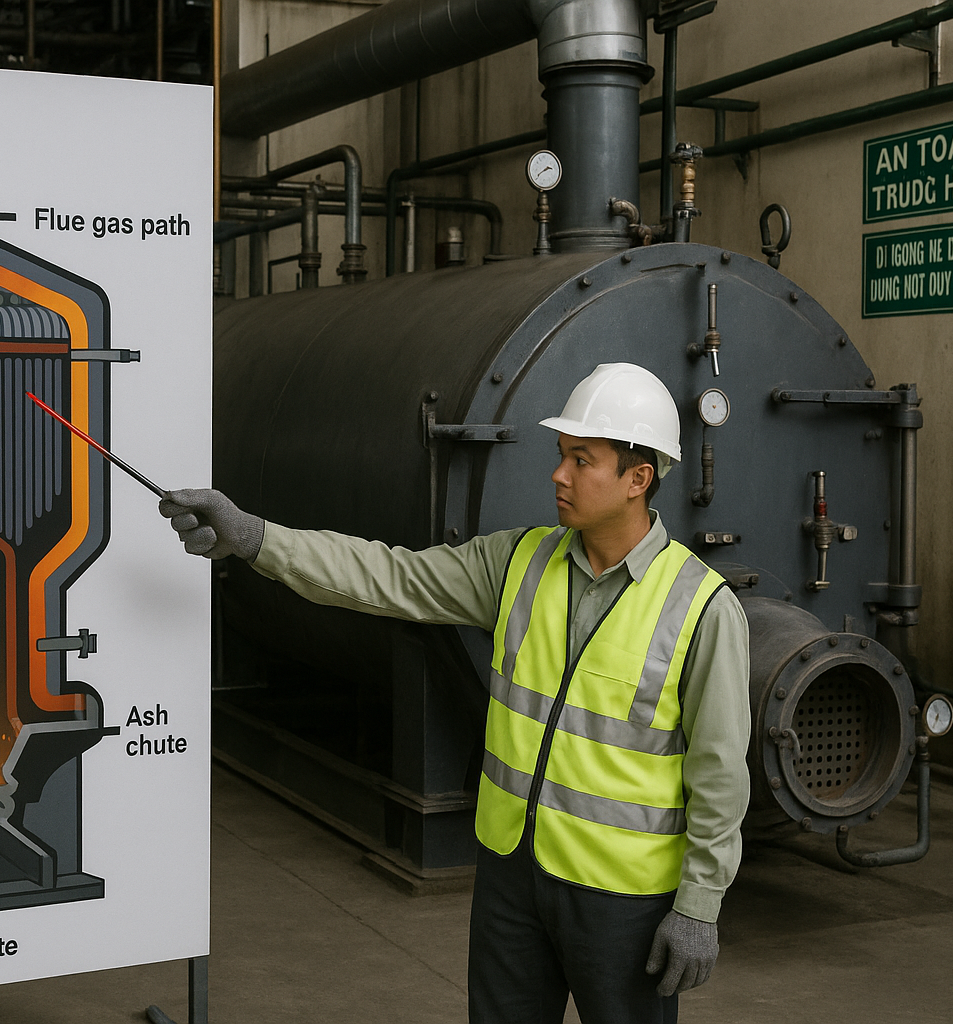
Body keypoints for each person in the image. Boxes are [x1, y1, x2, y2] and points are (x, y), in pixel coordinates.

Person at [160, 362, 750, 1024]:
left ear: (639, 479)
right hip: (509, 879)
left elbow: (719, 775)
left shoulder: (700, 608)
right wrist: (255, 539)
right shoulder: (519, 563)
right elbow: (389, 577)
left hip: (621, 899)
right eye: (561, 456)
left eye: (582, 460)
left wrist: (699, 906)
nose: (558, 475)